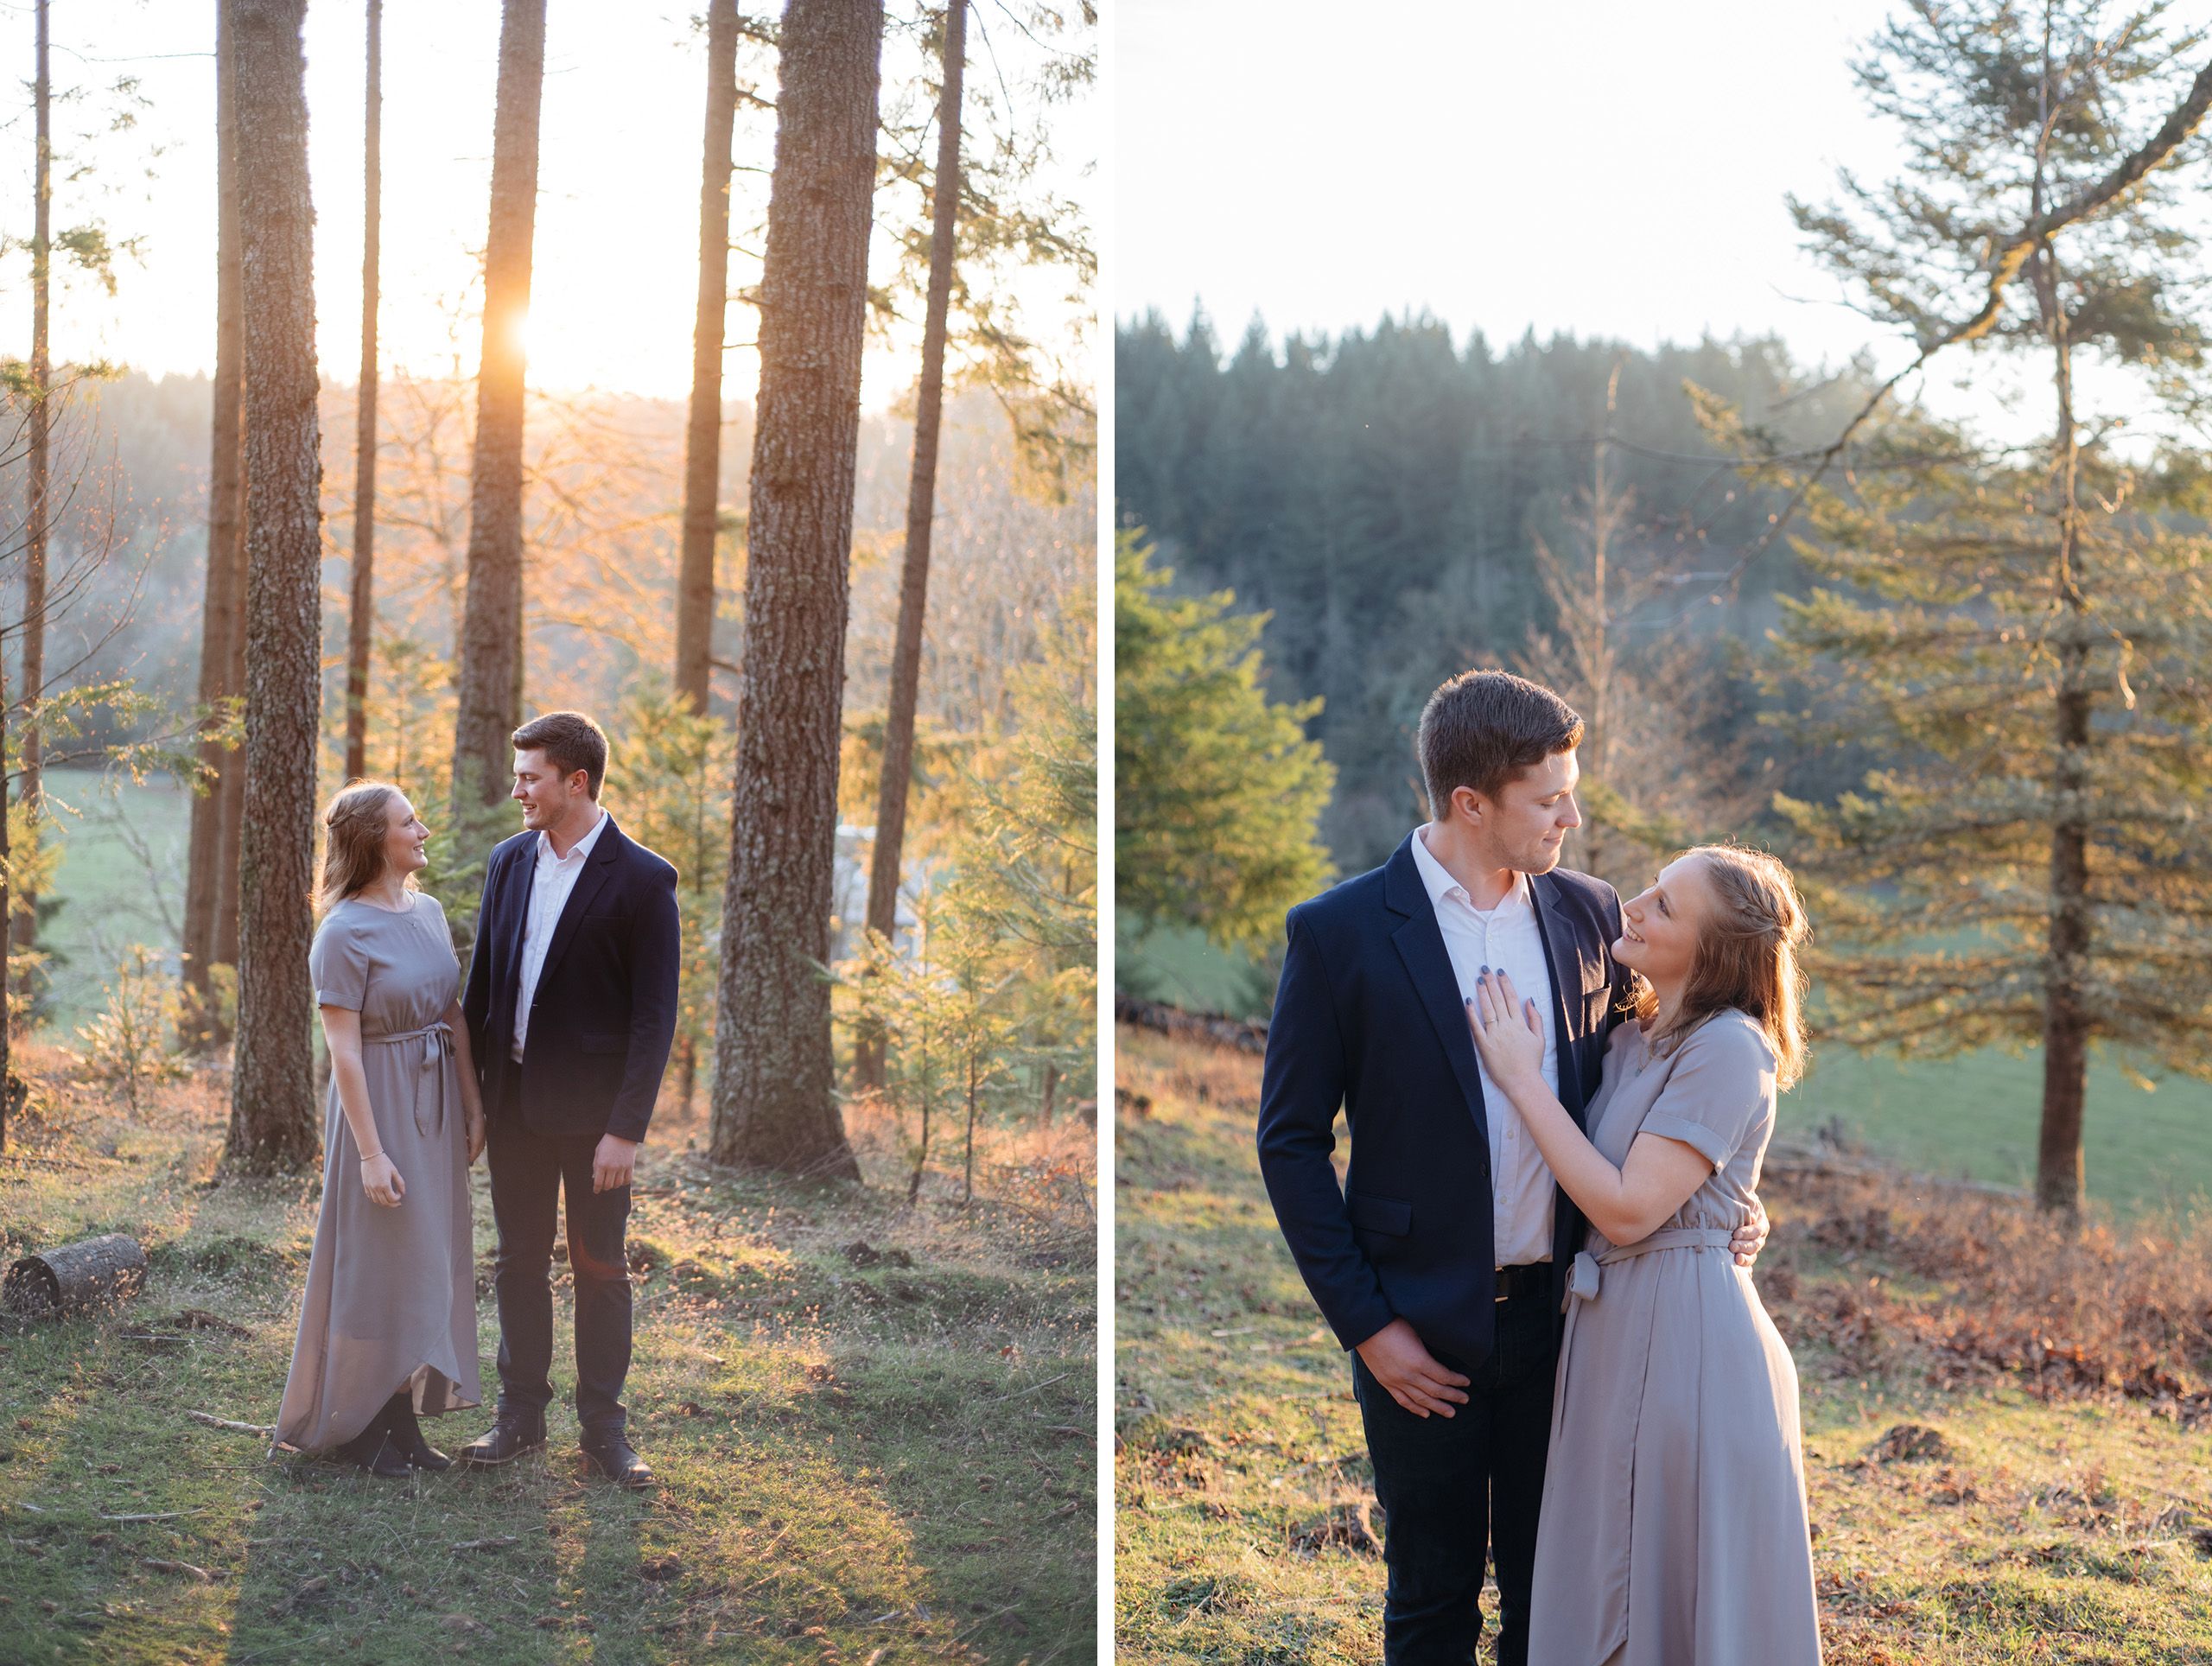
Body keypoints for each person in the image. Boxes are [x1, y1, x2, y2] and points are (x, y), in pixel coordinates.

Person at [1255, 670, 1765, 1666]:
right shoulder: (1340, 933)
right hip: (1419, 1334)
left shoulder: (1586, 914)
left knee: (1560, 1603)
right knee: (1430, 1600)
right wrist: (1369, 1327)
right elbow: (1289, 1142)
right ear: (1470, 803)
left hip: (1575, 1327)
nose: (1572, 816)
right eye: (1548, 798)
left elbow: (1662, 1083)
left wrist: (1729, 1203)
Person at [1465, 843, 1823, 1665]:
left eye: (1664, 905)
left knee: (1667, 1592)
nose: (1634, 904)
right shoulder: (1634, 1037)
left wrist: (1522, 1078)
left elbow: (1626, 1209)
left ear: (1714, 952)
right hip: (1611, 1331)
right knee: (1607, 1581)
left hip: (1688, 1356)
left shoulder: (1731, 1046)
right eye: (1652, 888)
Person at [454, 710, 680, 1489]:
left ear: (574, 782)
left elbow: (656, 1019)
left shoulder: (646, 879)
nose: (516, 790)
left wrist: (625, 1130)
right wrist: (477, 1105)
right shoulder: (508, 861)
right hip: (513, 1109)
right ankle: (519, 1419)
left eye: (529, 777)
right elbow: (484, 989)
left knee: (600, 1268)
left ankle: (604, 1433)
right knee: (517, 1261)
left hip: (595, 1128)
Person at [273, 782, 486, 1476]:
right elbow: (343, 1051)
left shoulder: (427, 911)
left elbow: (451, 1014)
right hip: (377, 1108)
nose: (422, 830)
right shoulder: (342, 931)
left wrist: (474, 1107)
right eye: (409, 822)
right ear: (374, 840)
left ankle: (403, 1423)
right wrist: (369, 1154)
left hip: (435, 1104)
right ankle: (361, 1425)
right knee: (378, 1266)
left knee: (427, 1261)